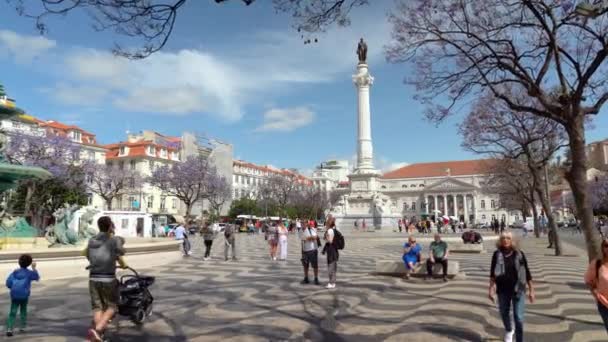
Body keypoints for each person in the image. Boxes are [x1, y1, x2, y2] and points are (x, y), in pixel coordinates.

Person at [85, 216, 127, 341]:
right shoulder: (113, 240)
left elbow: (88, 255)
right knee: (112, 306)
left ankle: (98, 335)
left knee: (97, 307)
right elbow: (122, 252)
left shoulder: (91, 240)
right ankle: (97, 330)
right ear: (110, 226)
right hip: (108, 278)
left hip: (93, 277)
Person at [489, 231, 534, 342]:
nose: (505, 240)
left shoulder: (519, 254)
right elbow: (492, 273)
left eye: (508, 238)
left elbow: (527, 272)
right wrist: (491, 288)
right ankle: (509, 330)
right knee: (504, 313)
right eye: (503, 238)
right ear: (500, 240)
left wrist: (532, 290)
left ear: (512, 240)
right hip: (502, 290)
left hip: (518, 289)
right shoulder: (496, 254)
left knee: (518, 317)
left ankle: (519, 340)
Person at [5, 254, 39, 337]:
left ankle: (9, 328)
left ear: (19, 262)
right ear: (29, 263)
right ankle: (22, 326)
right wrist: (34, 268)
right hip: (24, 294)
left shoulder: (14, 272)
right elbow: (37, 277)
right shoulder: (29, 273)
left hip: (15, 294)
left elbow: (8, 283)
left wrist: (12, 287)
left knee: (13, 311)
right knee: (23, 310)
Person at [584, 238, 608, 332]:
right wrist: (596, 294)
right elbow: (589, 281)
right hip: (605, 304)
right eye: (606, 245)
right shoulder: (597, 264)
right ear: (602, 248)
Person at [322, 218, 339, 289]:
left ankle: (331, 283)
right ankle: (333, 282)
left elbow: (330, 241)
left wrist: (326, 237)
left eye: (326, 224)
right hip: (334, 250)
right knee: (334, 267)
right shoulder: (334, 230)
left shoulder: (329, 231)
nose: (325, 225)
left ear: (328, 224)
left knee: (330, 267)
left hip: (331, 250)